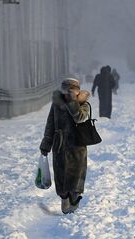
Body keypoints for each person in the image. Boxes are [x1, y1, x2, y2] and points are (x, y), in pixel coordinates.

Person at [39, 78, 91, 214]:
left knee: (76, 176)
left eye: (71, 89)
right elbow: (50, 124)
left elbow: (79, 117)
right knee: (60, 176)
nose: (67, 92)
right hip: (59, 144)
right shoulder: (56, 103)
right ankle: (64, 199)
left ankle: (73, 201)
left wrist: (72, 102)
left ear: (77, 91)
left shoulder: (83, 103)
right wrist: (46, 145)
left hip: (77, 146)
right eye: (66, 89)